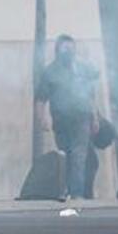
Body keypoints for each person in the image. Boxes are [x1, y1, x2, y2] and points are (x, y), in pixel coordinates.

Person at [35, 35, 101, 200]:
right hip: (61, 121)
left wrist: (95, 117)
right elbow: (41, 99)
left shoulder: (82, 68)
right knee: (66, 156)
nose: (69, 51)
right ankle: (67, 190)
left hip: (81, 118)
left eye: (72, 48)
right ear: (58, 50)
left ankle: (77, 193)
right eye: (65, 48)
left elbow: (91, 95)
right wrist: (42, 118)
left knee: (79, 156)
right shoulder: (50, 72)